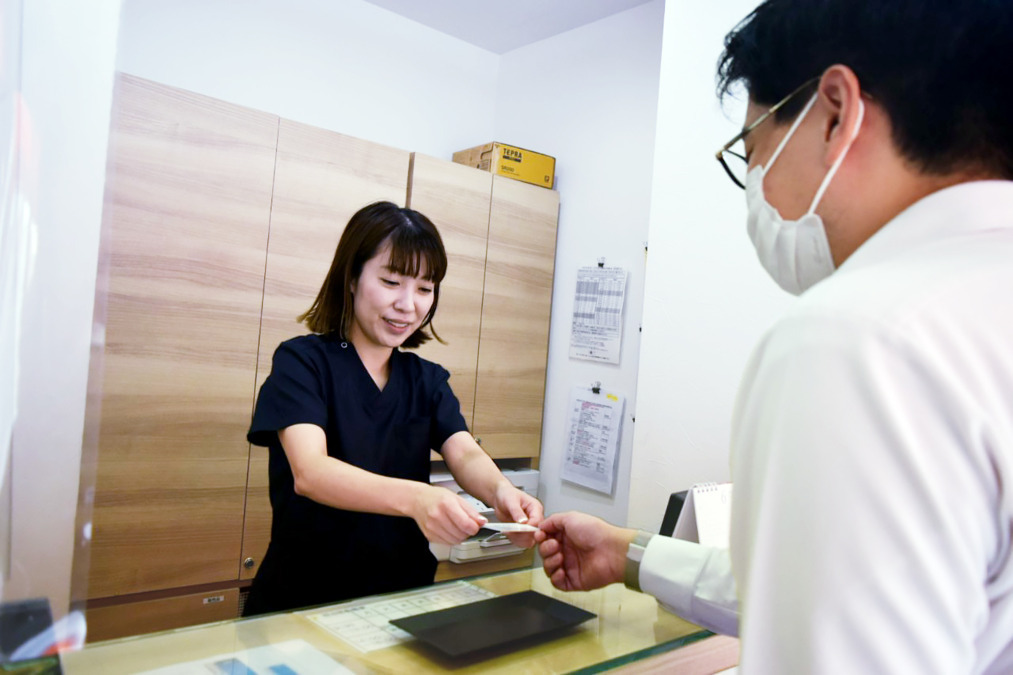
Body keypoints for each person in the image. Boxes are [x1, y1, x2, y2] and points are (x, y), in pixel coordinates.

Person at [536, 1, 1013, 672]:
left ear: (835, 113)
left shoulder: (853, 339)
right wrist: (628, 551)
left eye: (751, 150)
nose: (754, 186)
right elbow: (839, 585)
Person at [244, 201, 542, 616]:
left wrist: (502, 492)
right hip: (304, 597)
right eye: (391, 281)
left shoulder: (427, 379)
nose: (408, 305)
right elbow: (311, 473)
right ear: (351, 278)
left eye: (424, 289)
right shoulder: (303, 363)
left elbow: (465, 451)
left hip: (403, 597)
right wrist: (418, 499)